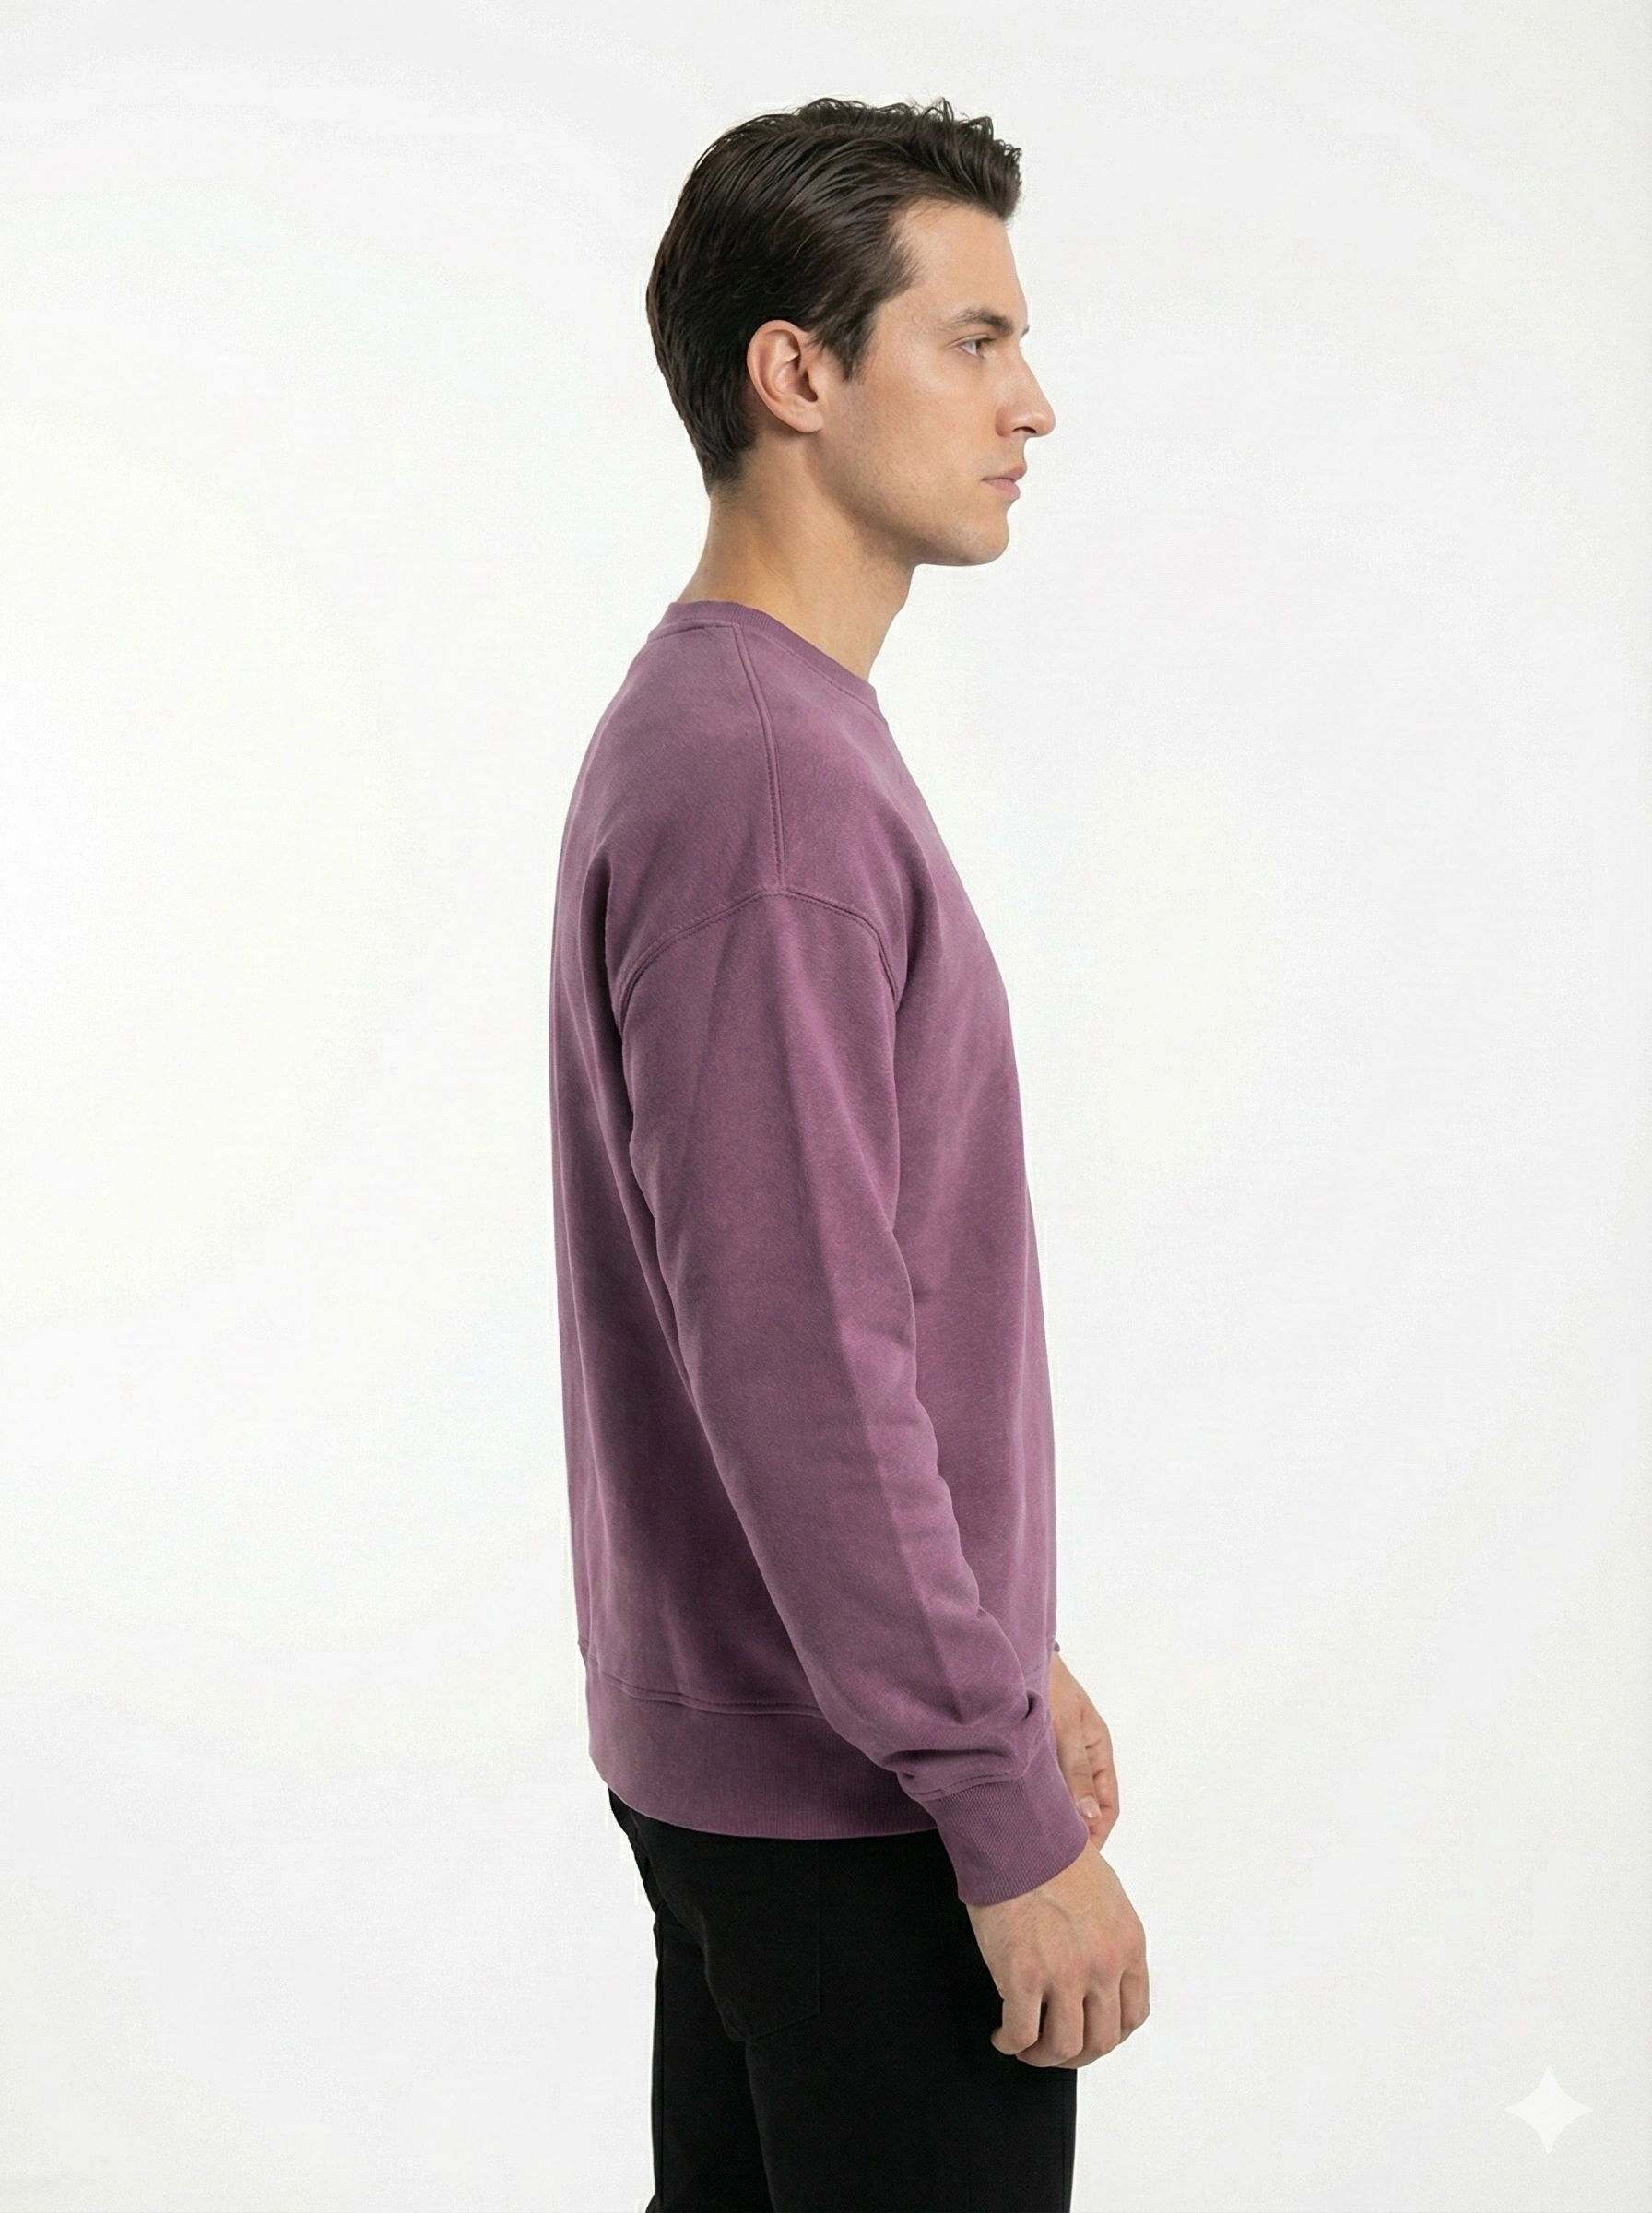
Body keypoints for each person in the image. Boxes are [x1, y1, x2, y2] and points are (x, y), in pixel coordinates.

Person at [549, 94, 1150, 2212]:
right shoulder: (763, 785)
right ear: (793, 372)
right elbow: (800, 1357)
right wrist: (989, 1794)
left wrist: (996, 1652)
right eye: (971, 340)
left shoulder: (742, 735)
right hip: (852, 1812)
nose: (1029, 404)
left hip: (799, 1755)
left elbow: (828, 1283)